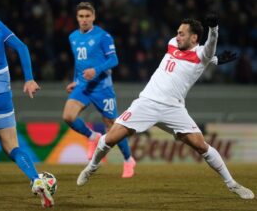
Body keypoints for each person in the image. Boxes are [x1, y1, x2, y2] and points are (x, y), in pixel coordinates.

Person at [76, 14, 255, 200]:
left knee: (201, 146)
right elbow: (202, 54)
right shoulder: (172, 43)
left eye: (182, 34)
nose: (177, 36)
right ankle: (92, 167)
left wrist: (214, 30)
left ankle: (232, 184)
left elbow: (209, 48)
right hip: (147, 102)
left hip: (174, 109)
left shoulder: (202, 54)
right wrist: (215, 60)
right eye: (177, 33)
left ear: (194, 38)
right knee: (111, 137)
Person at [62, 2, 136, 178]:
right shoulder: (73, 37)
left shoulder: (103, 36)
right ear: (77, 18)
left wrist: (96, 70)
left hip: (103, 88)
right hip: (83, 87)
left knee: (112, 128)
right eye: (81, 16)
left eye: (88, 16)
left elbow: (114, 60)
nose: (84, 20)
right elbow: (79, 64)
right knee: (68, 116)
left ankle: (128, 160)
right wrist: (75, 80)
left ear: (93, 17)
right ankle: (92, 136)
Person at [0, 18, 54, 207]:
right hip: (1, 95)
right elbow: (21, 47)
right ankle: (36, 180)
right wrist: (29, 79)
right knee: (12, 146)